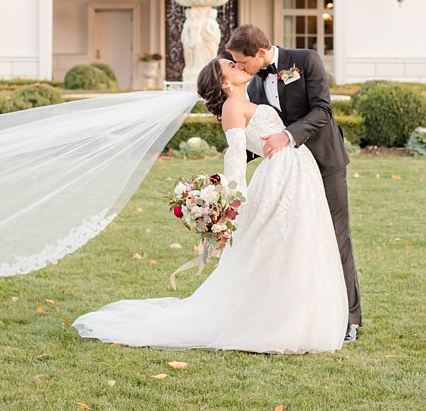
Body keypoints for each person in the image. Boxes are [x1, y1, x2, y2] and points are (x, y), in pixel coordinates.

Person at [72, 53, 348, 353]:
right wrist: (232, 202)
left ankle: (298, 317)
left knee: (299, 245)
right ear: (225, 83)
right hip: (278, 179)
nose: (237, 65)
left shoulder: (251, 97)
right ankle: (276, 323)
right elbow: (235, 157)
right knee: (277, 248)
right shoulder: (232, 107)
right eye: (230, 66)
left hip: (296, 172)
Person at [224, 23, 361, 342]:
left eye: (242, 62)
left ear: (260, 52)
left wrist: (287, 136)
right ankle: (298, 313)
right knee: (296, 242)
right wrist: (229, 171)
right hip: (289, 176)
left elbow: (322, 110)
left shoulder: (306, 60)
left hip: (324, 162)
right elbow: (260, 134)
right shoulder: (254, 84)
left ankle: (350, 319)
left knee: (337, 234)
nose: (240, 68)